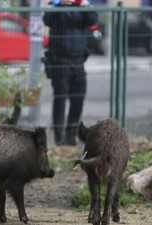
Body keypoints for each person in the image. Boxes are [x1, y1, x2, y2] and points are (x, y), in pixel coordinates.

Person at [43, 0, 98, 146]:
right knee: (60, 100)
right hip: (60, 61)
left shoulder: (83, 5)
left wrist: (84, 5)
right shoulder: (56, 4)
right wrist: (61, 4)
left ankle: (71, 136)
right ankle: (59, 138)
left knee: (78, 99)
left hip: (79, 61)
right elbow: (47, 20)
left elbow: (93, 20)